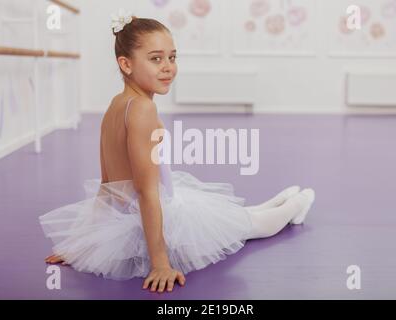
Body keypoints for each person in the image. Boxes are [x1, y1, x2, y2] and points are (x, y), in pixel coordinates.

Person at [41, 12, 315, 293]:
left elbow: (107, 186)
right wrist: (160, 262)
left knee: (238, 220)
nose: (168, 67)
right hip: (159, 216)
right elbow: (146, 192)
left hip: (135, 215)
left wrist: (83, 244)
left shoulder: (117, 104)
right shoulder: (143, 108)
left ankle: (287, 199)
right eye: (156, 58)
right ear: (126, 64)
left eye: (172, 57)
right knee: (254, 226)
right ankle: (299, 202)